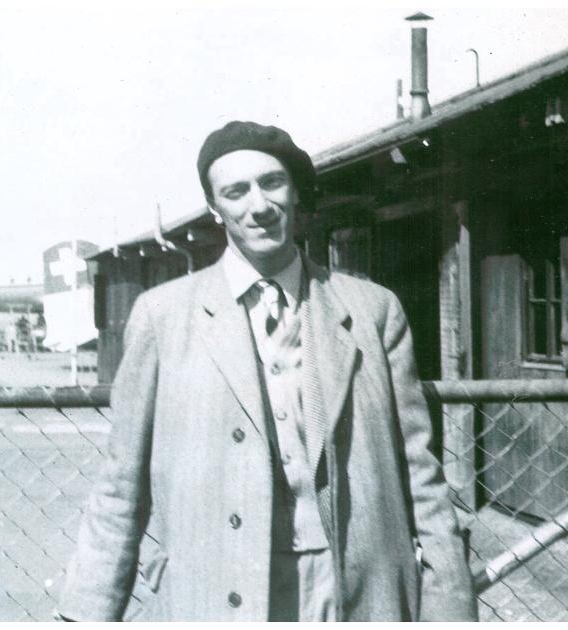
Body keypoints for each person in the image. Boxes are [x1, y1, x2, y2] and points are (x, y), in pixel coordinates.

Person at [59, 121, 477, 621]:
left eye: (272, 183)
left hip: (351, 587)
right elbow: (121, 480)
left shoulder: (372, 310)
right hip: (216, 588)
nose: (259, 205)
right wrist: (86, 612)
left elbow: (419, 471)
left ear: (297, 193)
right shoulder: (163, 316)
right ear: (216, 209)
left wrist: (450, 602)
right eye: (236, 192)